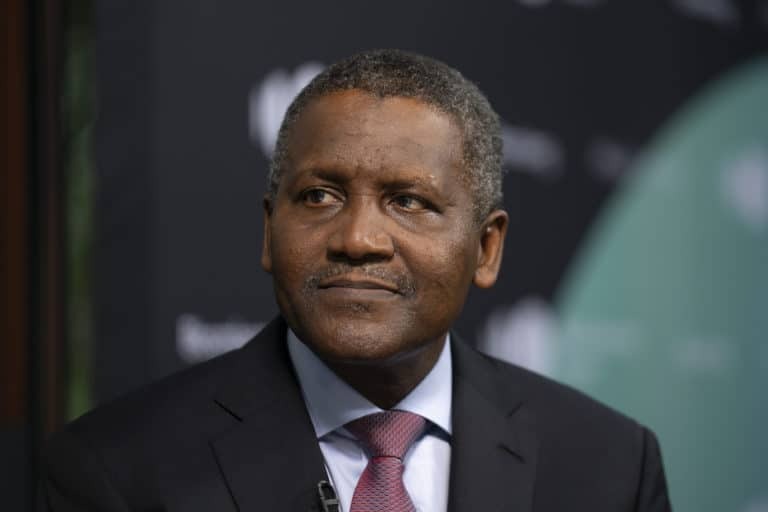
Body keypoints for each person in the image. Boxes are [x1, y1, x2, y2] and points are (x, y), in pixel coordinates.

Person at [39, 49, 672, 512]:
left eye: (409, 202)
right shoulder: (115, 472)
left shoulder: (609, 465)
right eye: (319, 196)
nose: (358, 239)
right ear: (269, 230)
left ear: (486, 248)